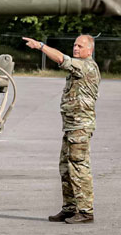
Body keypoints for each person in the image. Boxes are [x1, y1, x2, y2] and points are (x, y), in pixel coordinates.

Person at [22, 35, 100, 224]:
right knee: (66, 168)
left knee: (79, 167)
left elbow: (60, 59)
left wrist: (41, 46)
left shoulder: (87, 66)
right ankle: (70, 208)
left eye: (80, 46)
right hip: (72, 126)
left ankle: (85, 211)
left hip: (80, 127)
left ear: (89, 50)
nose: (76, 48)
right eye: (74, 45)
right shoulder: (78, 67)